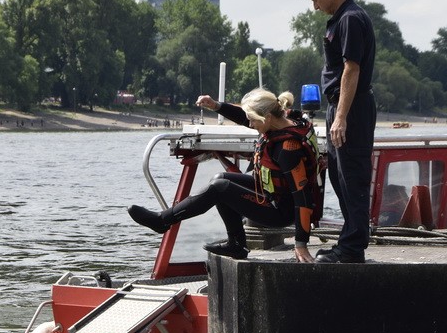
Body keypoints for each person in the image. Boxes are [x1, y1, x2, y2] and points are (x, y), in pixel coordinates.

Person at [127, 89, 320, 263]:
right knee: (221, 179)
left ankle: (163, 221)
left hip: (281, 211)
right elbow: (243, 117)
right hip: (270, 193)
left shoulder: (288, 149)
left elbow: (302, 198)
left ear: (267, 117)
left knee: (221, 189)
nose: (250, 125)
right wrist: (216, 106)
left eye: (252, 120)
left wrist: (300, 243)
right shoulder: (280, 120)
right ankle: (237, 244)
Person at [300, 0, 376, 263]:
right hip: (340, 106)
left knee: (352, 174)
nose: (314, 5)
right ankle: (348, 239)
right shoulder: (341, 19)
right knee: (338, 174)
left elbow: (352, 68)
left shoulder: (351, 19)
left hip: (352, 107)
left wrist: (342, 116)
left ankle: (353, 246)